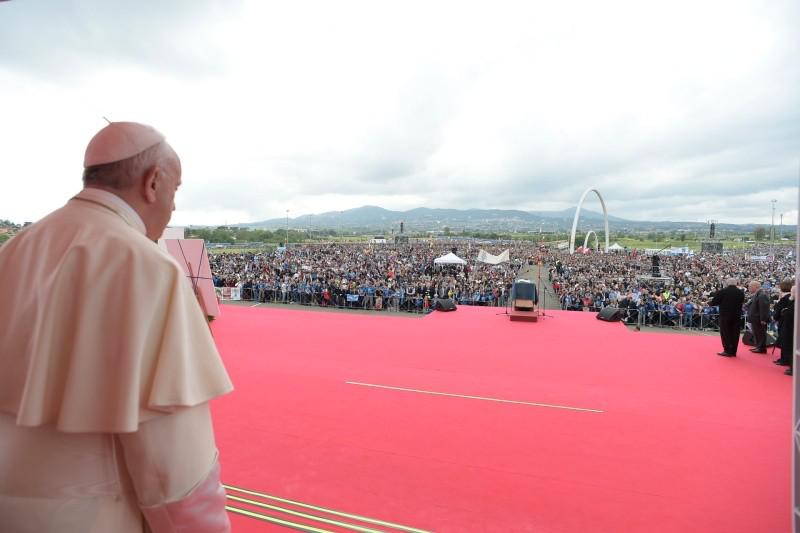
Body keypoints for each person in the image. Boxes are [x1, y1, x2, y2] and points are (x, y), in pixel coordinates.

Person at [0, 122, 234, 532]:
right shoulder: (148, 266)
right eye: (174, 191)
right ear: (153, 182)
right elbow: (176, 469)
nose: (173, 207)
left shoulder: (15, 249)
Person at [710, 277, 745, 357]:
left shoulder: (723, 291)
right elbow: (742, 302)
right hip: (736, 316)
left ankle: (727, 350)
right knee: (735, 334)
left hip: (725, 315)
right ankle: (733, 351)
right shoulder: (740, 292)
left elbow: (714, 302)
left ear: (727, 283)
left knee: (725, 333)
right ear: (736, 283)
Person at [773, 282, 795, 374]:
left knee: (786, 342)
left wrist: (779, 303)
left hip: (786, 323)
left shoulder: (786, 299)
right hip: (785, 322)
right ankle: (783, 359)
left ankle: (785, 360)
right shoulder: (788, 298)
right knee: (784, 341)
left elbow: (779, 310)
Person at [746, 280, 771, 354]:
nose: (749, 288)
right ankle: (758, 346)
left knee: (760, 333)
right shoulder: (757, 294)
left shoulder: (762, 295)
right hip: (755, 318)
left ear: (755, 286)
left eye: (750, 286)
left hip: (759, 319)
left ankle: (761, 348)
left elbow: (764, 308)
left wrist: (763, 319)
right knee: (757, 333)